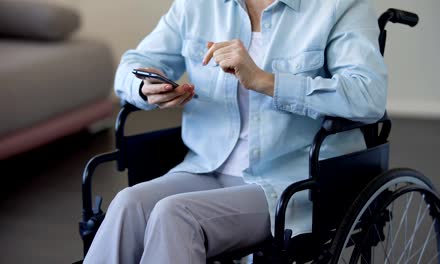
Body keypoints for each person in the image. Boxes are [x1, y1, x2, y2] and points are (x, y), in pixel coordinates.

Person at [84, 0, 387, 263]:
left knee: (174, 215)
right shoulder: (197, 6)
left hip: (287, 181)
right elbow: (134, 65)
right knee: (128, 204)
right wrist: (144, 86)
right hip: (207, 166)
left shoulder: (337, 6)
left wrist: (266, 81)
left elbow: (368, 96)